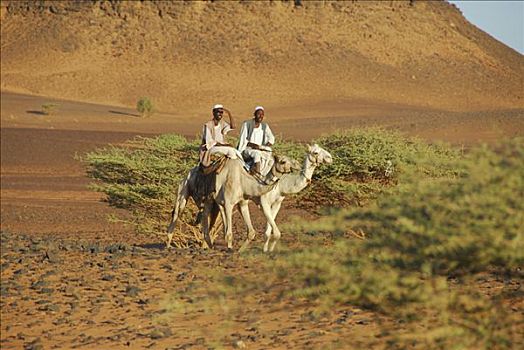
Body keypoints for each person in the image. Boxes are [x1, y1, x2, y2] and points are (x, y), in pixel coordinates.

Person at [237, 106, 276, 176]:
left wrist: (264, 147)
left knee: (271, 159)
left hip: (259, 149)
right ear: (254, 114)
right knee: (256, 154)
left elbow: (271, 138)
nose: (260, 116)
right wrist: (254, 145)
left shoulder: (265, 126)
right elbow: (243, 140)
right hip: (247, 149)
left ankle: (263, 174)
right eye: (258, 114)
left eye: (262, 114)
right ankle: (257, 174)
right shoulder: (247, 124)